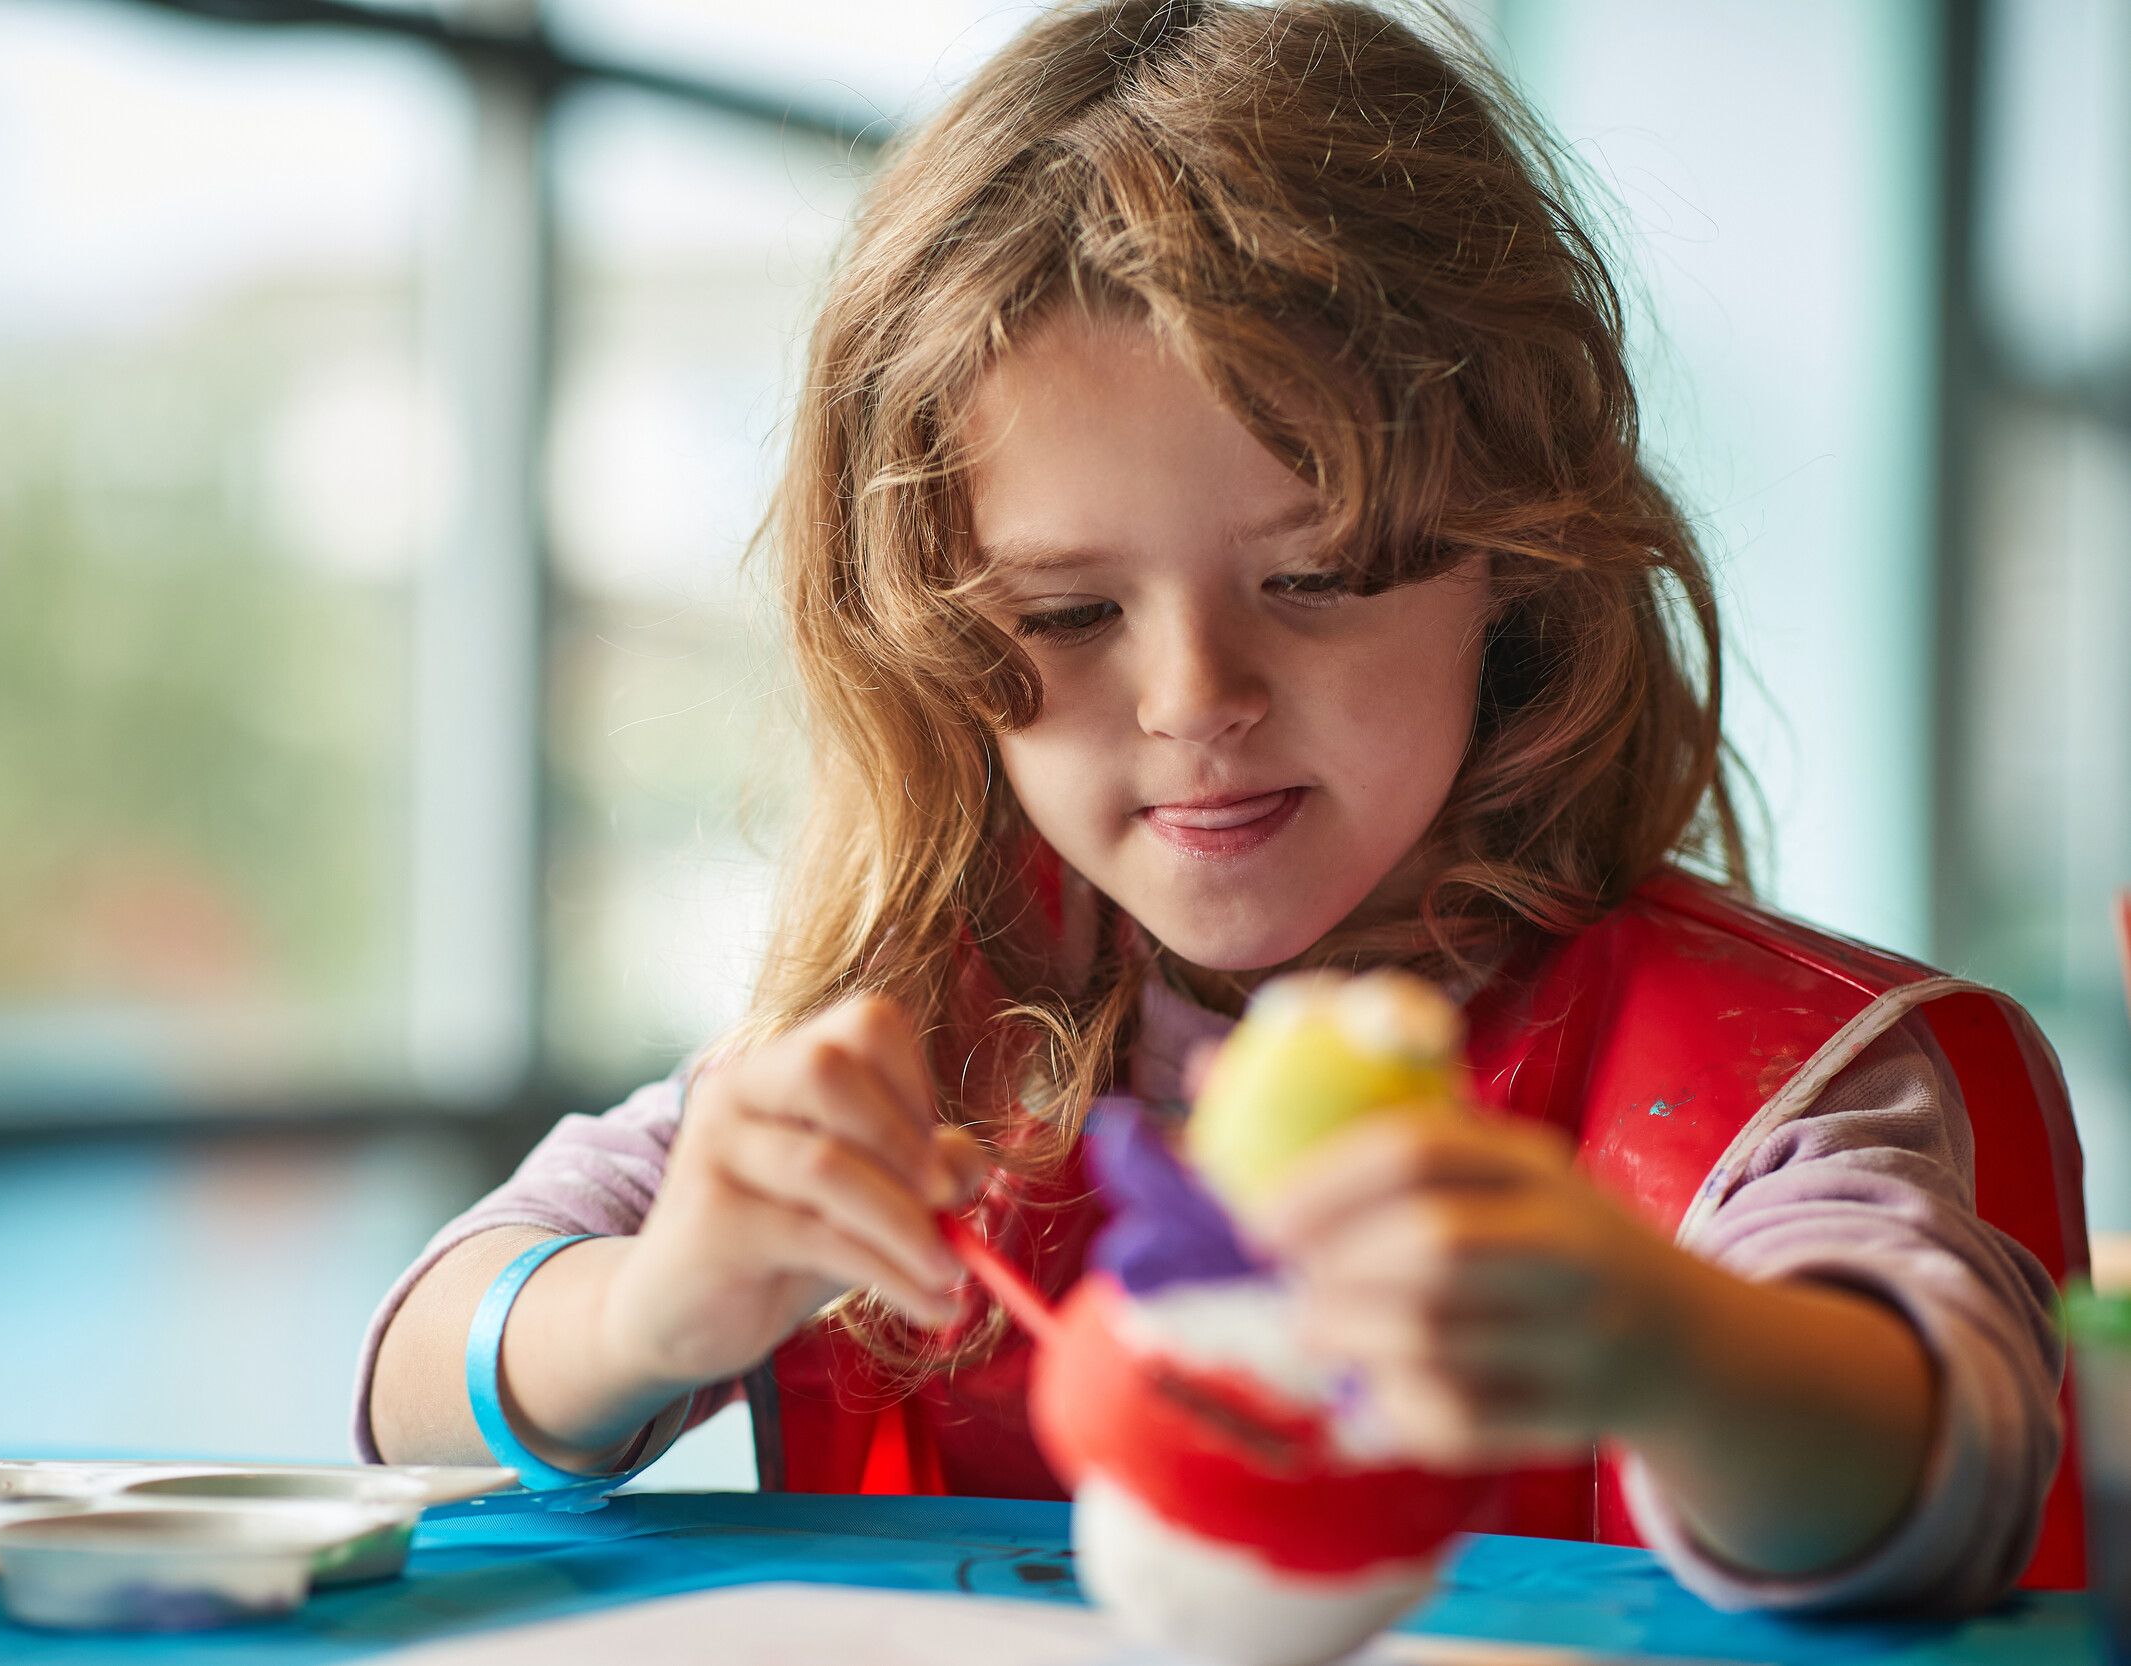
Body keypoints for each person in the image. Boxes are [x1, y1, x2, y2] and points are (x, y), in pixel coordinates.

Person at [357, 0, 2081, 1613]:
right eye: (1068, 615)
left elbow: (1941, 1451)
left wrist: (1673, 1346)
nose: (1196, 702)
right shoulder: (922, 1057)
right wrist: (647, 1312)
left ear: (1518, 561)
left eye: (1320, 573)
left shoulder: (1785, 1092)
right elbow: (410, 1381)